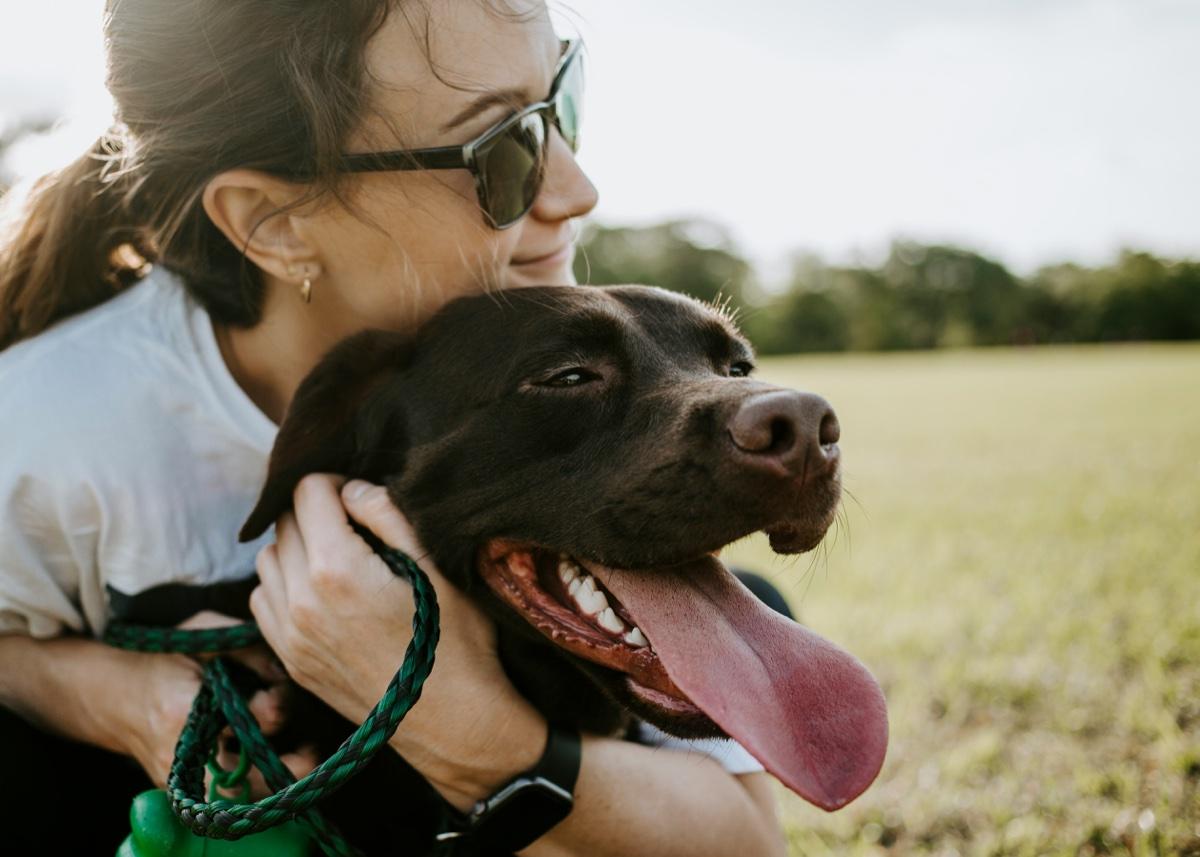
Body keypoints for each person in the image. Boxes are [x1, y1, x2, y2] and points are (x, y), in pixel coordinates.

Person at [0, 1, 790, 854]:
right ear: (275, 221)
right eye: (503, 150)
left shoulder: (550, 318)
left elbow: (746, 843)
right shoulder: (46, 429)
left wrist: (462, 721)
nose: (576, 189)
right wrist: (124, 696)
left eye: (562, 98)